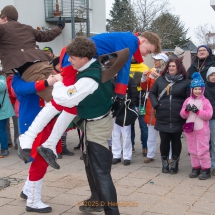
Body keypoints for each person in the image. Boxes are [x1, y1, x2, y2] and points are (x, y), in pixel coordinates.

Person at [49, 37, 119, 214]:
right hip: (91, 122)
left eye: (72, 57)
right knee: (90, 163)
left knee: (101, 171)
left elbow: (65, 98)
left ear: (84, 59)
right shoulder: (99, 64)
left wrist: (57, 83)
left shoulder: (88, 79)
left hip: (96, 126)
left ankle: (112, 212)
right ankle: (96, 199)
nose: (69, 60)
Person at [12, 72, 58, 213]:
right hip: (32, 124)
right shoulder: (17, 76)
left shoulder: (41, 71)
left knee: (44, 160)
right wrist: (45, 82)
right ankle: (33, 200)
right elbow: (21, 89)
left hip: (48, 123)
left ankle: (27, 190)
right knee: (41, 160)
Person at [0, 5, 65, 102]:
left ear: (4, 18)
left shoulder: (3, 29)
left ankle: (82, 114)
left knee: (55, 100)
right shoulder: (27, 28)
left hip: (30, 70)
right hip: (43, 64)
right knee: (63, 91)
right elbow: (46, 36)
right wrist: (59, 27)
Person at [150, 58, 190, 174]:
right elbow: (152, 93)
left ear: (178, 68)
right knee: (164, 140)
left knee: (176, 140)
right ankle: (165, 162)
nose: (171, 68)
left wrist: (184, 109)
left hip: (178, 116)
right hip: (163, 114)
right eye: (170, 66)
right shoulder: (160, 80)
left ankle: (175, 163)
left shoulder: (186, 82)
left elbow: (188, 99)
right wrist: (156, 105)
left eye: (174, 66)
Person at [180, 72, 212, 180]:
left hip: (202, 129)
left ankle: (206, 169)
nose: (197, 91)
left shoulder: (205, 101)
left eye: (199, 89)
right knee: (192, 149)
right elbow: (182, 115)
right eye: (195, 89)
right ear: (191, 90)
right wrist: (186, 110)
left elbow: (209, 115)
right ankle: (195, 167)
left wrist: (198, 112)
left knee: (203, 149)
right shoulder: (187, 100)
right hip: (190, 129)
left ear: (202, 90)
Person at [140, 53, 169, 163]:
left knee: (165, 134)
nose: (154, 62)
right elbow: (144, 87)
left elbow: (168, 87)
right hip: (151, 105)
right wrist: (144, 77)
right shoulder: (153, 71)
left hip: (162, 104)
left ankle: (168, 156)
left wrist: (159, 78)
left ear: (162, 61)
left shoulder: (167, 73)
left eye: (156, 60)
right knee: (151, 133)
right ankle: (150, 154)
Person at [112, 75, 138, 166]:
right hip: (114, 109)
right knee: (115, 134)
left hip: (125, 109)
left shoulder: (129, 79)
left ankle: (127, 156)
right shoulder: (111, 79)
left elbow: (134, 94)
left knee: (126, 134)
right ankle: (116, 155)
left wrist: (131, 106)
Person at [130, 60, 149, 155]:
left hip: (141, 101)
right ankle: (131, 145)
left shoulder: (145, 68)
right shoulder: (125, 67)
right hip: (130, 101)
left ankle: (145, 146)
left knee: (144, 125)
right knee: (129, 125)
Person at [0, 73, 15, 157]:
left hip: (2, 110)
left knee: (1, 129)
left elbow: (1, 87)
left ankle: (4, 149)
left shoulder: (2, 79)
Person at [204, 67, 215, 176]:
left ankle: (214, 165)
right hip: (206, 118)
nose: (213, 77)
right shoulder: (204, 88)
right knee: (205, 142)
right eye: (211, 75)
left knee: (214, 142)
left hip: (214, 118)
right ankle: (205, 164)